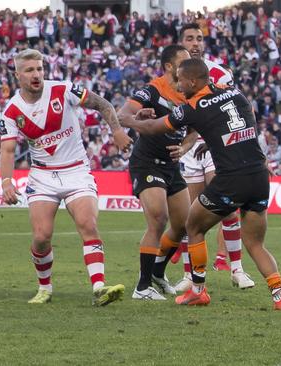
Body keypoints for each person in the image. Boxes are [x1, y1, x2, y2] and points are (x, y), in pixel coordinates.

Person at [124, 58, 281, 309]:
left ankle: (198, 290)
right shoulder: (233, 91)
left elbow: (152, 127)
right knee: (256, 243)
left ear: (192, 80)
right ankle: (280, 296)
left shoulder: (192, 107)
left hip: (231, 179)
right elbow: (241, 121)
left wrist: (127, 121)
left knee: (192, 225)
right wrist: (214, 139)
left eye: (181, 80)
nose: (178, 86)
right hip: (258, 174)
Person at [0, 49, 133, 305]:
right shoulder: (11, 111)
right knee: (41, 236)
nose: (36, 74)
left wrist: (116, 131)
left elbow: (102, 104)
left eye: (39, 68)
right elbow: (7, 150)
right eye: (29, 70)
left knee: (88, 225)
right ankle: (45, 288)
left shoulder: (64, 89)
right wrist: (6, 182)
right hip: (42, 177)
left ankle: (99, 287)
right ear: (17, 75)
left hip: (76, 171)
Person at [173, 23, 253, 291]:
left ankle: (237, 269)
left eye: (199, 39)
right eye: (189, 39)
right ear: (181, 42)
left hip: (213, 147)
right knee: (190, 214)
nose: (195, 43)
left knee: (228, 207)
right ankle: (190, 274)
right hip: (188, 149)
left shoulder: (220, 73)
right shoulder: (173, 77)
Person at [117, 44, 193, 300]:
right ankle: (142, 286)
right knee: (159, 219)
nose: (188, 67)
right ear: (169, 67)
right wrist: (139, 118)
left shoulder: (191, 92)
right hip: (147, 162)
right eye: (183, 62)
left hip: (171, 166)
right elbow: (122, 115)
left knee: (184, 224)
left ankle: (158, 272)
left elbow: (194, 132)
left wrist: (184, 147)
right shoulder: (153, 89)